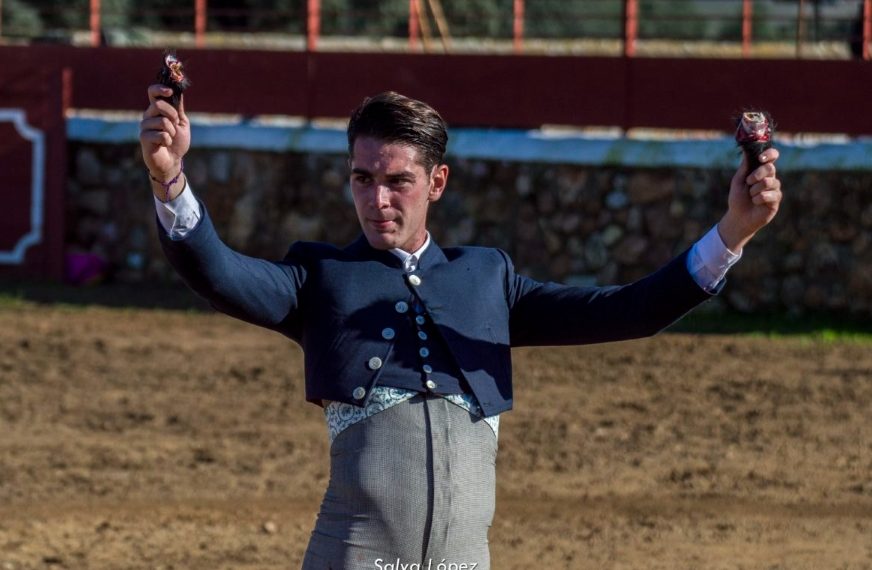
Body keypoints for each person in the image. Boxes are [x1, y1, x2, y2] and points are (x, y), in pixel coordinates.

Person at [139, 87, 783, 569]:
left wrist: (732, 234)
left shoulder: (487, 278)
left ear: (436, 183)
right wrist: (170, 180)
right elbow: (220, 274)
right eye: (363, 180)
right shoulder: (321, 275)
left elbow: (627, 310)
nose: (378, 200)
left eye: (398, 182)